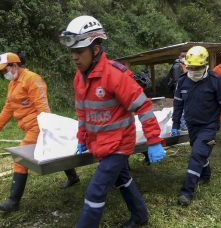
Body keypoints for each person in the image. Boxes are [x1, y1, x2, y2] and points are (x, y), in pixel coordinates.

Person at [60, 15, 166, 227]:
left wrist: (153, 140)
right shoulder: (79, 77)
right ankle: (140, 216)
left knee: (95, 190)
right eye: (72, 52)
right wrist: (82, 138)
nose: (74, 57)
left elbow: (143, 106)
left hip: (118, 145)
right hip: (99, 144)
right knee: (122, 179)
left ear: (96, 49)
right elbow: (83, 113)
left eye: (79, 52)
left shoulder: (115, 75)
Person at [0, 52, 79, 213]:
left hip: (38, 125)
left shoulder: (32, 79)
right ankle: (73, 177)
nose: (4, 74)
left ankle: (13, 201)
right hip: (28, 126)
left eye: (5, 70)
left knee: (20, 158)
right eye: (2, 72)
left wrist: (48, 126)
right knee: (56, 149)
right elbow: (8, 107)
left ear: (14, 65)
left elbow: (42, 104)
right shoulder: (13, 83)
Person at [170, 46, 221, 206]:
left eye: (197, 67)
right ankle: (205, 175)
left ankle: (186, 192)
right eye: (190, 67)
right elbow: (178, 105)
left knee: (196, 155)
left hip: (209, 126)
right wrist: (175, 124)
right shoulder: (182, 82)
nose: (193, 70)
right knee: (199, 153)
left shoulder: (216, 81)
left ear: (204, 65)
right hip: (192, 126)